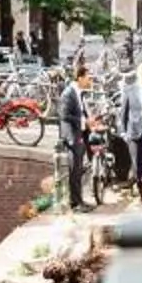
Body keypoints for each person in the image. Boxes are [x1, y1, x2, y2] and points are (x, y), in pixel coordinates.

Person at [56, 69, 91, 208]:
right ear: (80, 78)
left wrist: (89, 121)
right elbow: (64, 115)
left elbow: (80, 111)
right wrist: (83, 121)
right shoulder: (68, 93)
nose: (90, 81)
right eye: (88, 77)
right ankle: (75, 202)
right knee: (74, 170)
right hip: (72, 136)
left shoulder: (78, 93)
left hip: (79, 134)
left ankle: (78, 200)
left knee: (78, 169)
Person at [113, 64, 142, 198]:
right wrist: (123, 132)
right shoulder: (130, 89)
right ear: (138, 75)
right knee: (137, 164)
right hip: (134, 131)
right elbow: (124, 112)